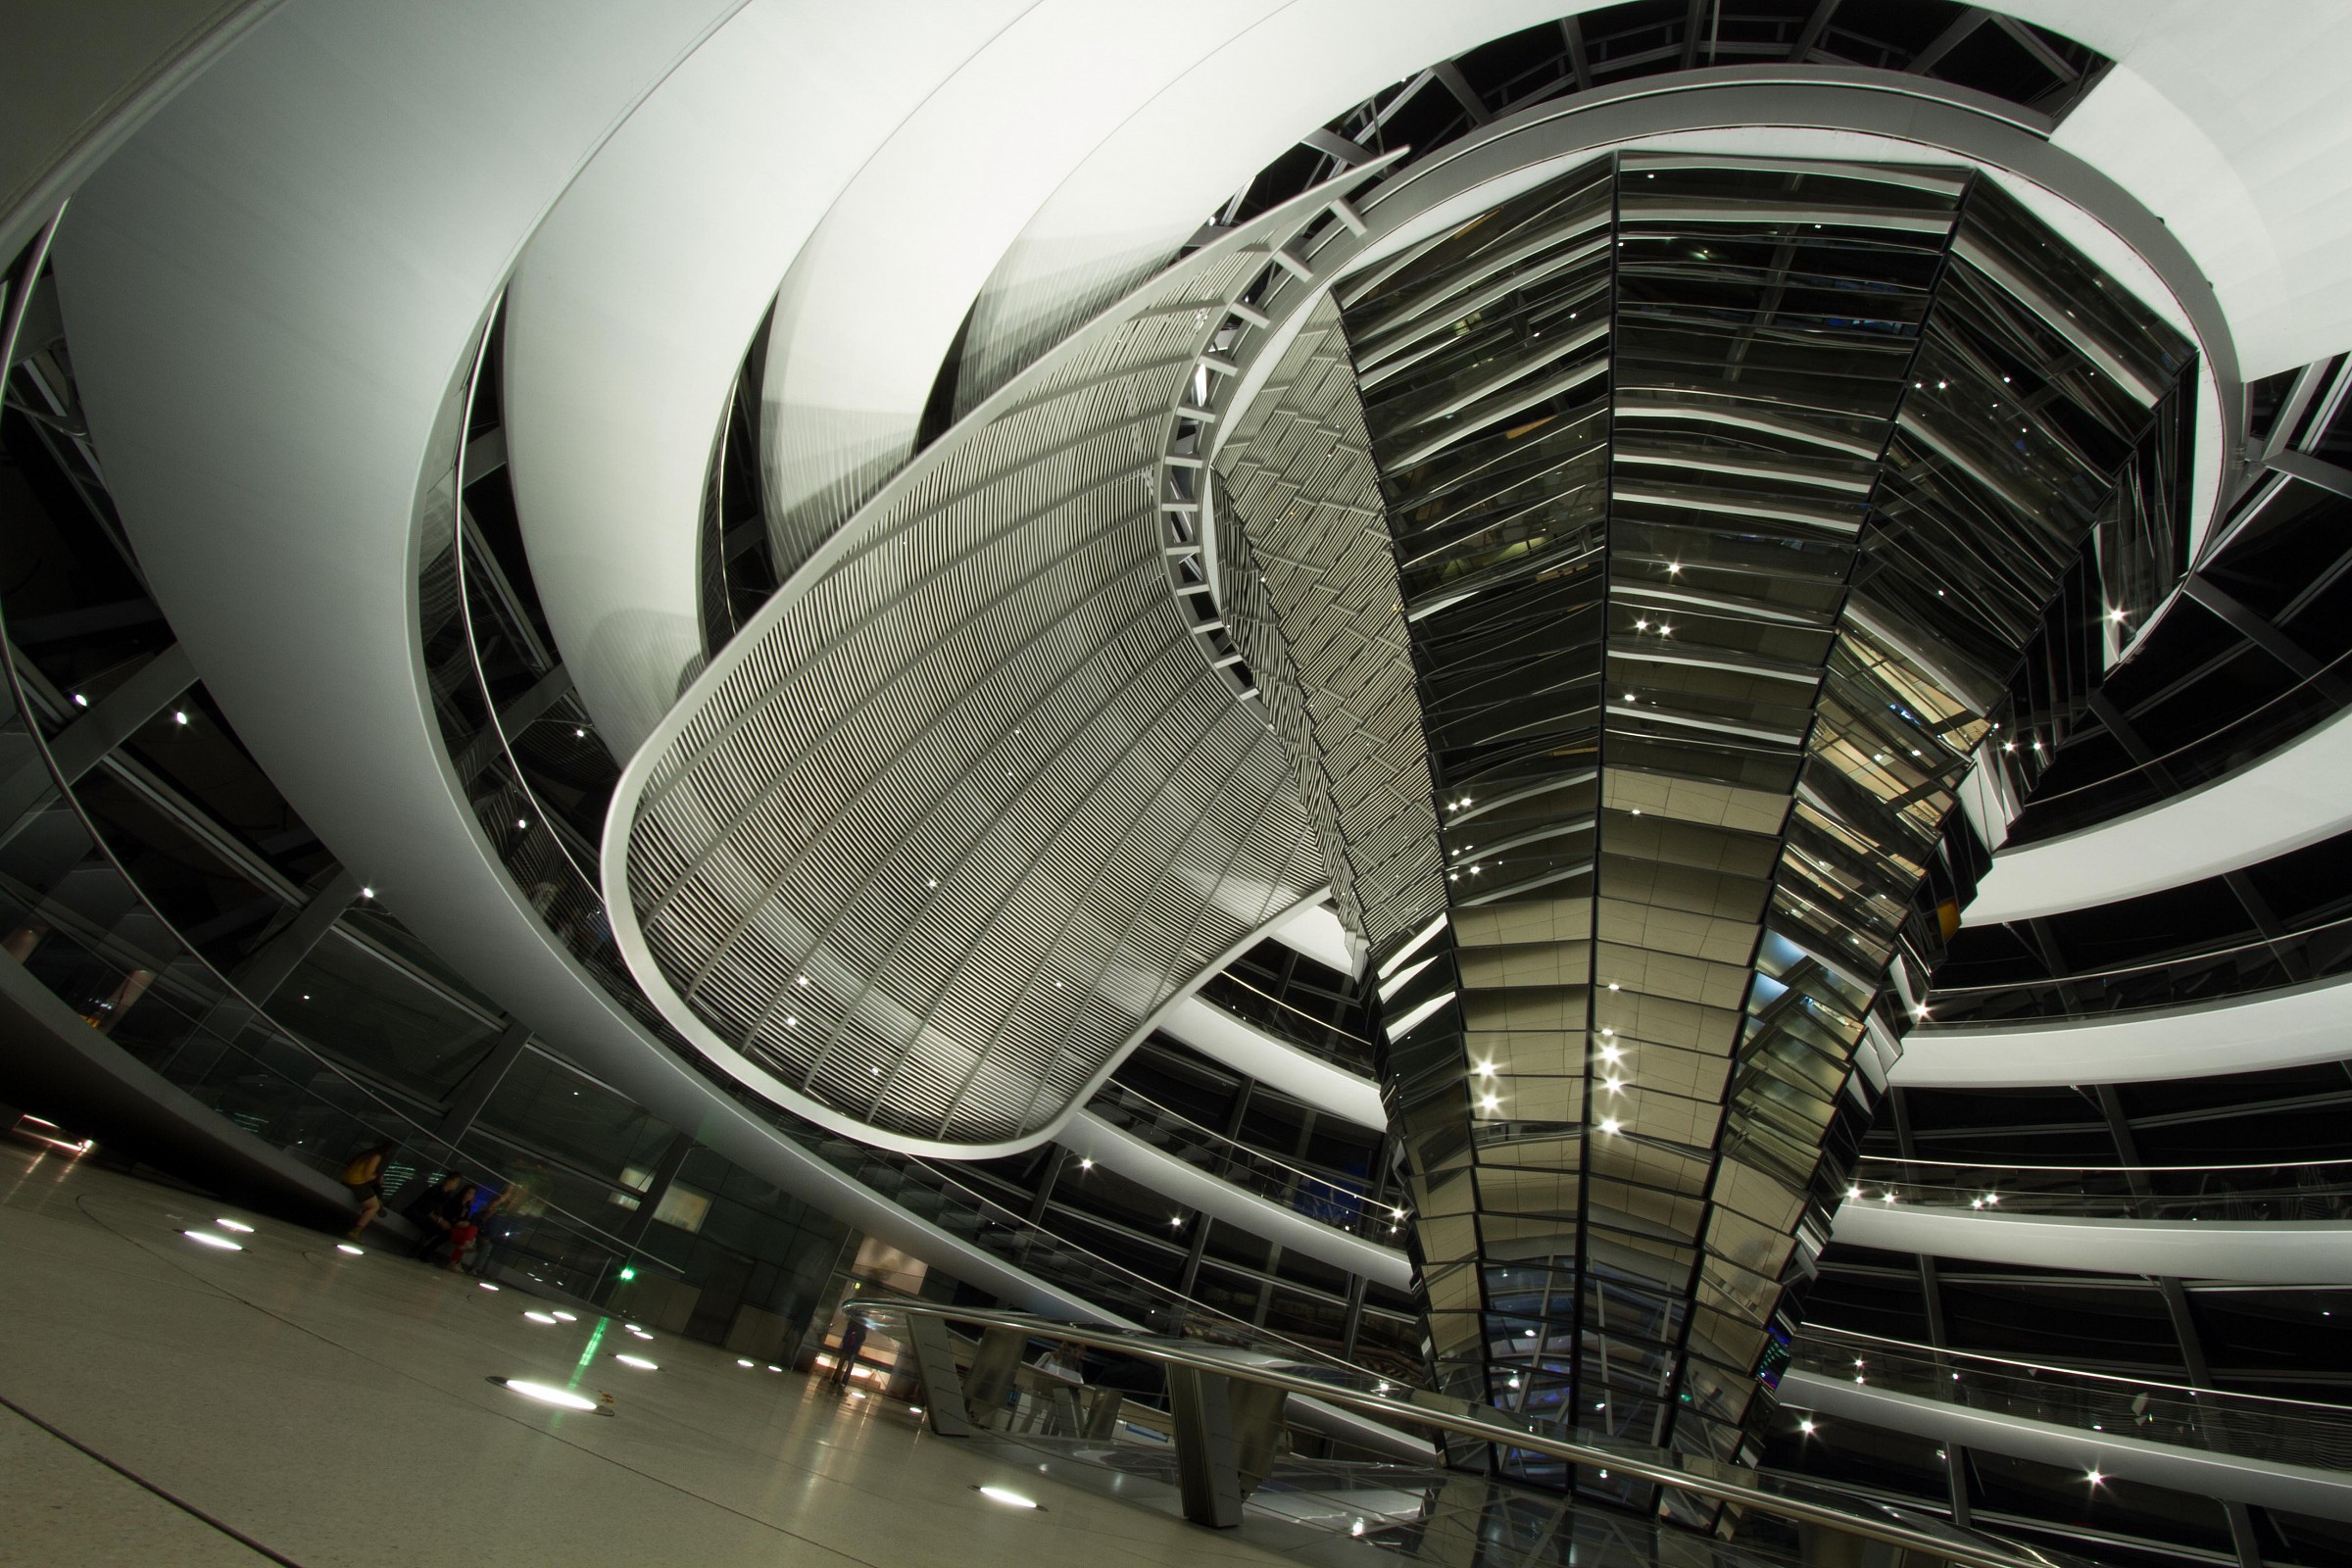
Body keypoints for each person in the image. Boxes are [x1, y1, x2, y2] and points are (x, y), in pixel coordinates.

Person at [406, 1173, 471, 1263]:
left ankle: (425, 1254)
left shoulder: (446, 1196)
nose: (457, 1185)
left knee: (446, 1233)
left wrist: (442, 1221)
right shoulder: (434, 1191)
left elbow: (440, 1212)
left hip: (429, 1216)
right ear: (450, 1181)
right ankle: (414, 1251)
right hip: (417, 1212)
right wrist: (440, 1221)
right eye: (457, 1182)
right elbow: (427, 1209)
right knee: (432, 1228)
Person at [339, 1141, 394, 1240]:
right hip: (356, 1184)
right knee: (374, 1207)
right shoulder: (377, 1157)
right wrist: (378, 1177)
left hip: (346, 1180)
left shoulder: (366, 1154)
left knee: (373, 1193)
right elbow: (368, 1176)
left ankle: (377, 1200)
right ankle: (356, 1231)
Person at [828, 1313, 868, 1387]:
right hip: (854, 1348)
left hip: (848, 1347)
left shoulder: (852, 1326)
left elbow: (847, 1336)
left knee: (841, 1363)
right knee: (849, 1365)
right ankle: (843, 1381)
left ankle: (835, 1379)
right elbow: (862, 1338)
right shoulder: (862, 1328)